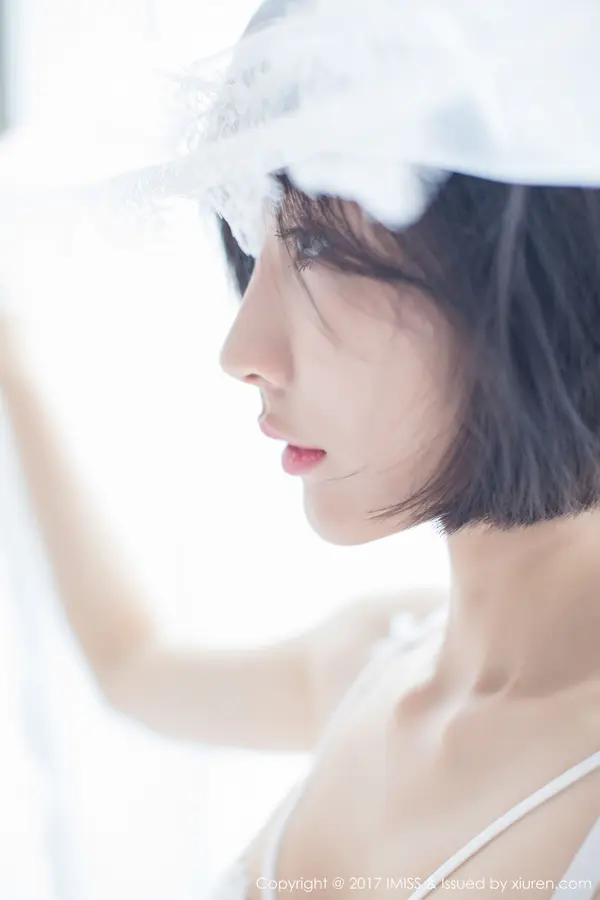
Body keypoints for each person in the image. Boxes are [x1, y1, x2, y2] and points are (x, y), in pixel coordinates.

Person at [1, 1, 600, 898]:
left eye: (317, 243)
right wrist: (11, 352)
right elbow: (132, 662)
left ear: (528, 280)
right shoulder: (373, 661)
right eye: (260, 244)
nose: (241, 351)